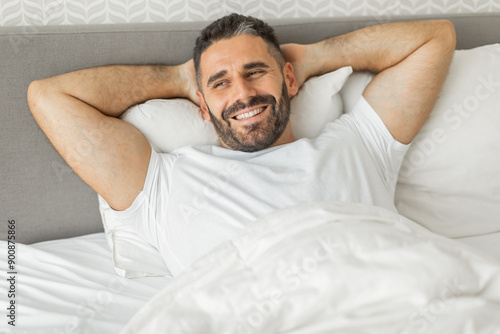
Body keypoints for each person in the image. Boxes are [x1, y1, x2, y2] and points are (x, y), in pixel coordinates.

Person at [27, 13, 456, 275]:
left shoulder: (358, 143)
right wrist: (177, 78)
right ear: (201, 104)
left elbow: (434, 38)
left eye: (256, 72)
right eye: (220, 83)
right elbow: (49, 97)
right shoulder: (162, 183)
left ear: (288, 79)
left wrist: (311, 58)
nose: (244, 94)